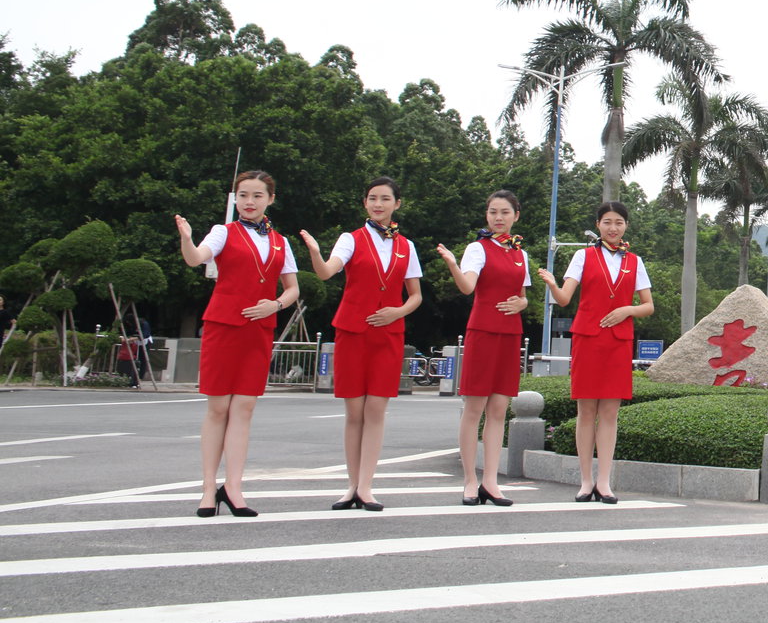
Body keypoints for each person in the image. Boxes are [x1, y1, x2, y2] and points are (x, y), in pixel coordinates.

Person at [174, 170, 299, 518]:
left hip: (258, 330)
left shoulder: (280, 242)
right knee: (217, 409)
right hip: (223, 325)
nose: (249, 202)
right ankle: (206, 491)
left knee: (244, 408)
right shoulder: (222, 232)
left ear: (270, 199)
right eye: (243, 195)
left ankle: (234, 488)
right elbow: (197, 258)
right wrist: (186, 239)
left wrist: (275, 304)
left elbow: (293, 289)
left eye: (257, 196)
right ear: (235, 199)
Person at [299, 176, 423, 512]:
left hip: (387, 335)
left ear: (397, 204)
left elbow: (415, 296)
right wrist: (314, 253)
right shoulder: (350, 239)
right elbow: (327, 272)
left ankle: (367, 486)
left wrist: (396, 312)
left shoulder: (406, 246)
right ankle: (351, 485)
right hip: (353, 331)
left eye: (385, 199)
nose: (378, 204)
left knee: (376, 410)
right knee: (354, 412)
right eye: (372, 198)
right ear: (364, 203)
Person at [536, 201, 653, 503]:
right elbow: (564, 299)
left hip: (617, 341)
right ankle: (585, 481)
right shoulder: (582, 256)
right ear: (598, 225)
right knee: (586, 411)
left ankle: (605, 482)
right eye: (607, 222)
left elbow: (648, 306)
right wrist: (551, 284)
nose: (613, 228)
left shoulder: (634, 261)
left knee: (610, 412)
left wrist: (626, 310)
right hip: (588, 338)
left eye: (618, 222)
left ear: (625, 226)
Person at [435, 190, 530, 506]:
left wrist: (523, 302)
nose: (498, 218)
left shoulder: (520, 253)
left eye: (504, 212)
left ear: (515, 214)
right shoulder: (478, 248)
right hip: (483, 332)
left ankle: (491, 480)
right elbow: (467, 287)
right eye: (493, 212)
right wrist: (452, 263)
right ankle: (470, 480)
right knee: (474, 408)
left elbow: (522, 295)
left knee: (499, 409)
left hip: (510, 334)